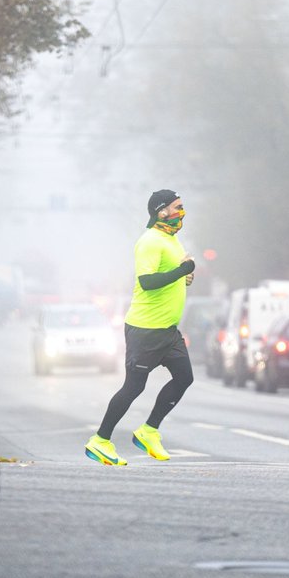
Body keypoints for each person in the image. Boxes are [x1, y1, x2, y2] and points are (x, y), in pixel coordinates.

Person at [85, 190, 196, 465]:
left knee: (184, 378)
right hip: (145, 329)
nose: (182, 211)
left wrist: (185, 277)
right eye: (177, 207)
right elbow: (147, 281)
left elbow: (171, 275)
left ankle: (148, 431)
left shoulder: (172, 239)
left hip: (168, 330)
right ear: (162, 212)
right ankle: (100, 440)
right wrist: (182, 271)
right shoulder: (149, 242)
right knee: (134, 387)